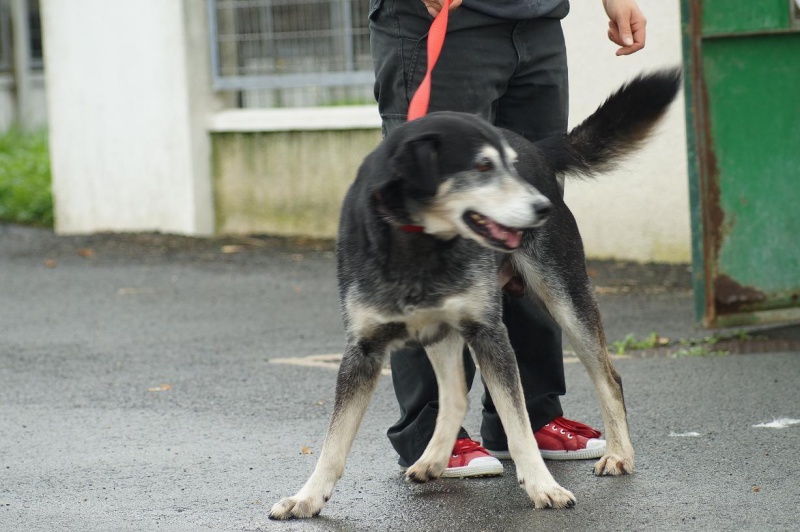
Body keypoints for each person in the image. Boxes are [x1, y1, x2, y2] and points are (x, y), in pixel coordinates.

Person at [368, 0, 647, 478]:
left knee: (534, 227)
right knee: (435, 231)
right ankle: (435, 434)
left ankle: (531, 416)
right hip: (442, 20)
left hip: (535, 21)